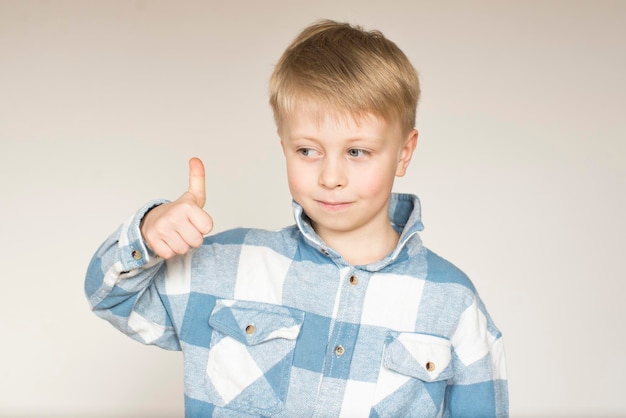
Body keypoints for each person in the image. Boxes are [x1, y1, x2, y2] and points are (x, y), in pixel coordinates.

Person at [85, 19, 508, 418]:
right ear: (283, 144)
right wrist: (148, 232)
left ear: (404, 152)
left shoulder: (453, 303)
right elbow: (111, 297)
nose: (330, 177)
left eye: (357, 152)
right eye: (308, 150)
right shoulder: (224, 266)